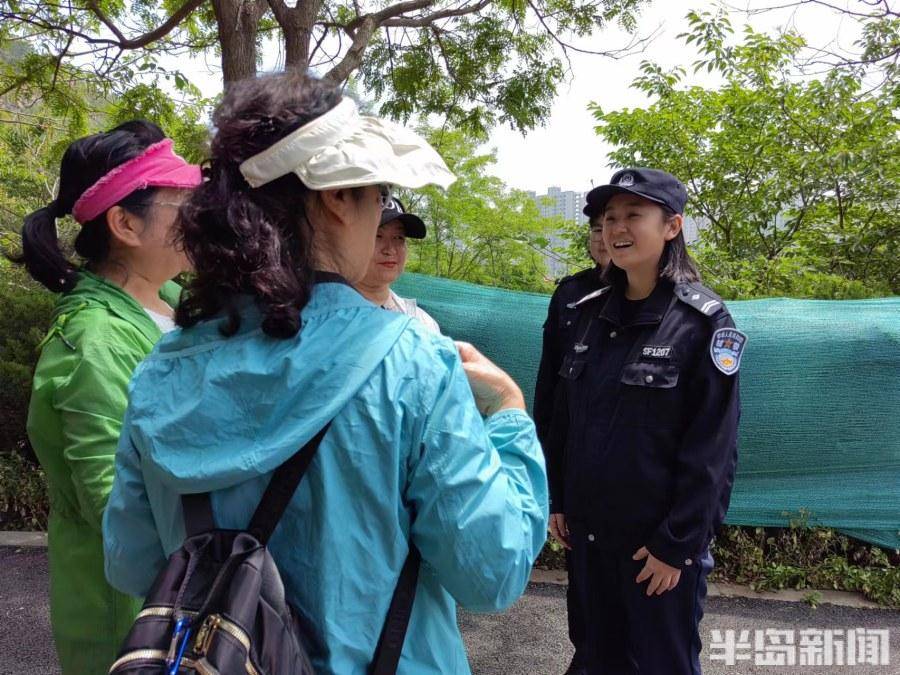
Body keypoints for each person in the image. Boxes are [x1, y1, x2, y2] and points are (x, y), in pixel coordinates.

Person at [102, 72, 548, 675]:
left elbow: (131, 563)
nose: (380, 215)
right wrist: (511, 415)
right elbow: (491, 573)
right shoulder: (413, 363)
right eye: (379, 195)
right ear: (337, 197)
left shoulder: (163, 368)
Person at [14, 121, 200, 673]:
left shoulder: (167, 299)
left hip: (184, 590)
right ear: (125, 223)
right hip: (129, 614)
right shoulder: (93, 342)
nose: (200, 216)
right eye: (182, 202)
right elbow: (115, 508)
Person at [550, 168, 743, 675]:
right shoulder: (589, 313)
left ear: (672, 227)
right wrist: (559, 501)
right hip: (590, 542)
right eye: (610, 217)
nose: (618, 227)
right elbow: (568, 421)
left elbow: (712, 451)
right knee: (594, 658)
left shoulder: (702, 322)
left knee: (662, 664)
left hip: (653, 552)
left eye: (634, 215)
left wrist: (674, 548)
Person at [533, 212, 610, 674]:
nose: (607, 237)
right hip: (581, 472)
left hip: (639, 491)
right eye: (599, 227)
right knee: (584, 596)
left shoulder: (679, 310)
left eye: (621, 224)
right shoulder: (571, 295)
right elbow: (552, 393)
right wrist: (554, 486)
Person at [355, 197, 441, 333]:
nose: (390, 249)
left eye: (398, 237)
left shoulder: (422, 324)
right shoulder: (321, 317)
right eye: (378, 235)